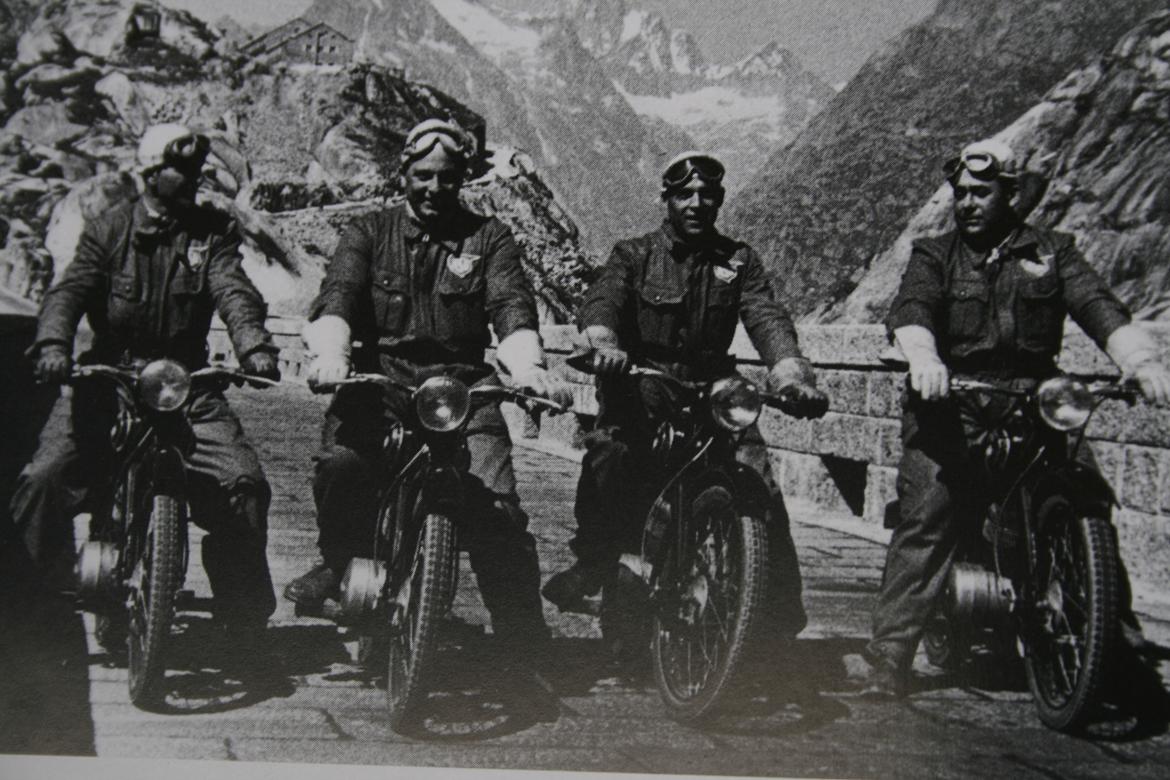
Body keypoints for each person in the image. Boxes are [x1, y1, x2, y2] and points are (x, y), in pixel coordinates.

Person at [865, 139, 1170, 697]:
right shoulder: (936, 253)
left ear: (1010, 194)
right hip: (952, 404)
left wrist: (1140, 360)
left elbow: (1098, 306)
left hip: (1034, 404)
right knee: (927, 516)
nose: (968, 203)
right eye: (961, 193)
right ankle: (890, 655)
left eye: (981, 192)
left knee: (1088, 499)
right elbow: (912, 309)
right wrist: (926, 358)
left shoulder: (1054, 250)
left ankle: (1110, 635)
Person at [284, 118, 566, 673]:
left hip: (462, 392)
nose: (434, 188)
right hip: (380, 384)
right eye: (422, 176)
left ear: (462, 178)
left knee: (500, 509)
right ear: (404, 174)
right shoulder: (369, 231)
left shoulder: (490, 238)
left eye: (446, 177)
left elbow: (511, 304)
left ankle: (522, 634)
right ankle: (336, 559)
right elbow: (337, 294)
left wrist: (529, 367)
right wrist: (331, 352)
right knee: (340, 465)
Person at [541, 151, 829, 642]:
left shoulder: (739, 261)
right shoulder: (635, 254)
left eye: (707, 195)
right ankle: (595, 559)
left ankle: (777, 618)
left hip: (712, 390)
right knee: (610, 454)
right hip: (643, 386)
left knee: (757, 477)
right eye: (684, 194)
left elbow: (766, 317)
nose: (696, 203)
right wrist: (604, 344)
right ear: (667, 199)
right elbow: (603, 300)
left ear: (718, 200)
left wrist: (789, 374)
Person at [9, 123, 281, 641]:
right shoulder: (109, 229)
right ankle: (28, 605)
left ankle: (241, 622)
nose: (195, 176)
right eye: (183, 168)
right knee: (43, 478)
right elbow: (68, 292)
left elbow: (234, 290)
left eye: (199, 167)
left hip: (187, 385)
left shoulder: (211, 233)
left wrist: (255, 347)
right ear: (152, 171)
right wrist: (52, 346)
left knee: (244, 484)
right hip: (110, 378)